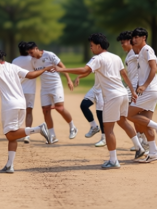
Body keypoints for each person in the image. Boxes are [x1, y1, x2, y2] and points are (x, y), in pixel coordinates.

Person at [56, 33, 146, 169]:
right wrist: (132, 91)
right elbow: (124, 75)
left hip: (112, 97)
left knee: (108, 129)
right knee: (122, 121)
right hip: (123, 93)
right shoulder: (115, 57)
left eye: (92, 45)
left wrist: (62, 69)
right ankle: (139, 148)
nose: (91, 48)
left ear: (98, 46)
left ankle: (113, 160)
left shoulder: (97, 58)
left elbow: (84, 69)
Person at [0, 50, 51, 173]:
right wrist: (45, 69)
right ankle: (9, 165)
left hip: (10, 105)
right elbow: (31, 75)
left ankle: (38, 129)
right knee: (13, 135)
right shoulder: (13, 67)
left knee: (10, 134)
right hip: (22, 103)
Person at [127, 27, 157, 163]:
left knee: (128, 114)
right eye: (133, 37)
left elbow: (155, 68)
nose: (134, 39)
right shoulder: (141, 52)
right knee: (145, 123)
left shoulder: (146, 49)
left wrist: (144, 85)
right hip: (149, 90)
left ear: (144, 37)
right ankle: (153, 152)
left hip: (149, 90)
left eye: (137, 37)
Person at [31, 43, 77, 143]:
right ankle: (52, 135)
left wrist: (68, 79)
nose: (31, 54)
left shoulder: (49, 55)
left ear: (36, 48)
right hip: (44, 88)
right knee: (46, 111)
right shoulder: (33, 60)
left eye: (31, 52)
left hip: (56, 85)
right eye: (29, 53)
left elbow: (62, 66)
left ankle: (72, 127)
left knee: (59, 108)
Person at [116, 31, 148, 152]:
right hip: (131, 87)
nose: (122, 45)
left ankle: (145, 138)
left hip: (134, 88)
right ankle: (141, 139)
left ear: (130, 41)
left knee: (129, 114)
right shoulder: (130, 54)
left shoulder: (136, 52)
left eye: (123, 42)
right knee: (133, 115)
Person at [11, 41, 37, 144]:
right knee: (29, 112)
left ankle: (17, 132)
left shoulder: (15, 61)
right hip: (30, 90)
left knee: (18, 111)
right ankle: (27, 134)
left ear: (19, 51)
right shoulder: (33, 60)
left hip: (18, 89)